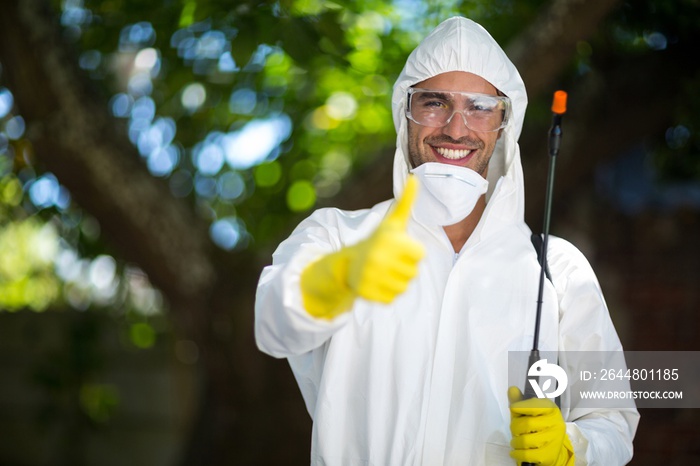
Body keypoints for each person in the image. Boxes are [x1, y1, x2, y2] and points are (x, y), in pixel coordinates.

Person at [255, 16, 639, 465]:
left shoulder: (557, 270)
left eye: (479, 106)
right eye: (434, 103)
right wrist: (335, 280)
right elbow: (273, 326)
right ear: (406, 113)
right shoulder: (338, 236)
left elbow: (611, 419)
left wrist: (572, 449)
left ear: (503, 125)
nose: (456, 129)